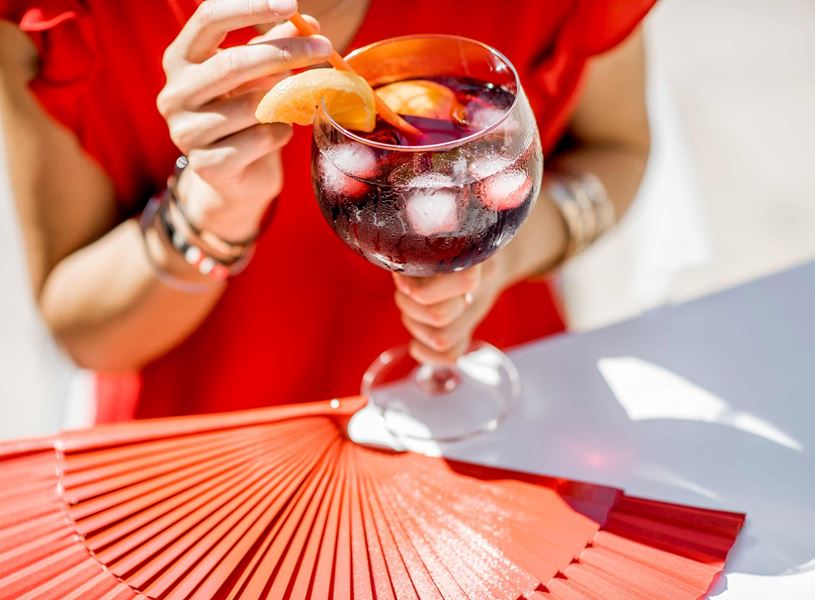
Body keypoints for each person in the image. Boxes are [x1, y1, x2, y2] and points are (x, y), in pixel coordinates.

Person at [0, 0, 653, 421]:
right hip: (221, 467)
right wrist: (209, 209)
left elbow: (617, 147)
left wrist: (514, 250)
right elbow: (86, 335)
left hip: (496, 408)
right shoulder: (66, 18)